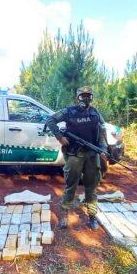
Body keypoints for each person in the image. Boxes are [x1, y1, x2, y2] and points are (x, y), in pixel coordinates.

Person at [45, 86, 108, 230]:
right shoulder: (69, 111)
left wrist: (103, 149)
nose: (85, 99)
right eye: (82, 96)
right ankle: (64, 214)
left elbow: (102, 130)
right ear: (77, 97)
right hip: (74, 154)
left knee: (91, 187)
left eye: (88, 96)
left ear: (91, 98)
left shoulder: (95, 112)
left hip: (92, 155)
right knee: (70, 186)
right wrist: (60, 138)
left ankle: (92, 216)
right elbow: (50, 120)